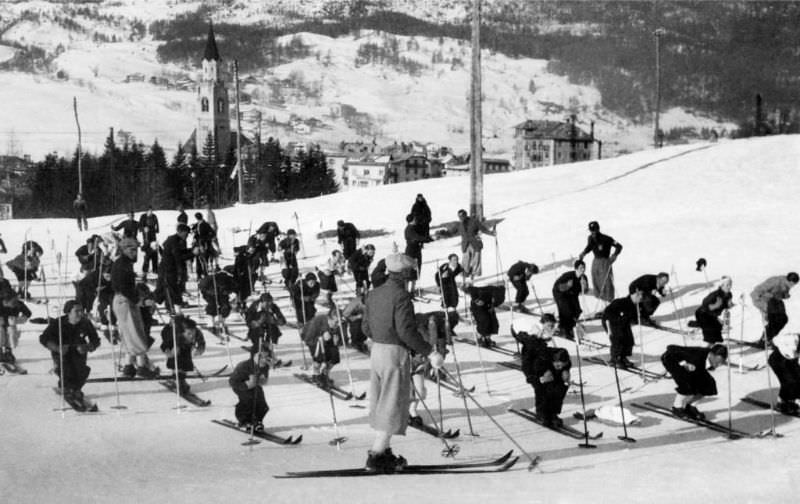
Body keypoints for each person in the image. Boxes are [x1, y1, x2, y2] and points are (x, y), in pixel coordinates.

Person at [361, 253, 444, 473]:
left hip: (376, 351)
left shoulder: (373, 293)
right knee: (393, 402)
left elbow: (365, 328)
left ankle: (384, 450)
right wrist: (429, 352)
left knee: (381, 400)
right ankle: (377, 456)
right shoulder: (401, 296)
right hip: (394, 353)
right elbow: (406, 332)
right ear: (405, 273)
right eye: (411, 272)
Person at [112, 237, 159, 378]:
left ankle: (128, 366)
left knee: (129, 334)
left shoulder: (123, 263)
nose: (134, 252)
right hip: (125, 301)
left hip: (122, 301)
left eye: (136, 249)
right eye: (131, 249)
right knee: (136, 332)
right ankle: (141, 367)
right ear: (124, 249)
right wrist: (140, 301)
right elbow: (123, 287)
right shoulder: (122, 264)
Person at [512, 315, 570, 427]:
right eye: (549, 326)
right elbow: (527, 363)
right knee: (542, 389)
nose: (551, 329)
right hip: (536, 372)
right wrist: (534, 377)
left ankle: (553, 414)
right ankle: (542, 414)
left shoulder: (550, 348)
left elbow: (563, 357)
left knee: (559, 387)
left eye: (552, 326)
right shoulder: (532, 343)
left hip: (548, 370)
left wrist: (565, 370)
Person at [39, 300, 100, 403]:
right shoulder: (58, 323)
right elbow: (43, 338)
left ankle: (74, 389)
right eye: (77, 311)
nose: (80, 313)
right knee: (66, 370)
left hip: (79, 352)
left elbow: (95, 340)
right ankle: (69, 389)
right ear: (68, 312)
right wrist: (57, 348)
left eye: (81, 310)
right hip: (62, 352)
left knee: (82, 371)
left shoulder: (85, 323)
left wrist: (87, 347)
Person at [661, 343, 728, 420]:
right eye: (718, 361)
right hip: (672, 360)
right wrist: (684, 363)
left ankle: (690, 406)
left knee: (709, 384)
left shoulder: (706, 358)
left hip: (696, 366)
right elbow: (671, 348)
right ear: (712, 355)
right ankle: (677, 408)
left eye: (721, 362)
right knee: (686, 383)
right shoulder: (696, 356)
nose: (719, 365)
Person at [409, 310, 450, 423]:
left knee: (420, 391)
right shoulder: (409, 328)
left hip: (419, 365)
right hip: (404, 364)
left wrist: (435, 359)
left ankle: (412, 411)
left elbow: (432, 343)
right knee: (404, 391)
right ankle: (408, 412)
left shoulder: (427, 328)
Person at [577, 221, 622, 307]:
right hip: (596, 261)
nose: (592, 232)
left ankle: (609, 303)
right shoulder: (590, 238)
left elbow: (619, 246)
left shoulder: (607, 238)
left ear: (598, 229)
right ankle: (602, 303)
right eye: (591, 230)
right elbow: (590, 246)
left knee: (606, 282)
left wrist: (614, 256)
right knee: (596, 280)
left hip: (605, 261)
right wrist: (583, 253)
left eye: (594, 230)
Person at [229, 345, 272, 431]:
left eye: (266, 356)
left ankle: (257, 420)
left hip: (254, 385)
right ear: (254, 356)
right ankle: (244, 421)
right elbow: (233, 381)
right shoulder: (245, 365)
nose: (264, 359)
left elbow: (263, 379)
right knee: (248, 401)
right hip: (240, 385)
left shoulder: (265, 366)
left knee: (262, 403)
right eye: (261, 357)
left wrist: (261, 380)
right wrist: (249, 383)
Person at [750, 272, 799, 348]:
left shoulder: (786, 284)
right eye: (792, 284)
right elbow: (757, 291)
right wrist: (772, 296)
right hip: (762, 300)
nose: (792, 286)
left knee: (783, 319)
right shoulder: (775, 281)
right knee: (773, 319)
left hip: (774, 301)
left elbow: (781, 294)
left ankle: (768, 338)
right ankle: (765, 340)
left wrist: (785, 295)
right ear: (789, 280)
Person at [155, 224, 197, 312]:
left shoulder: (176, 239)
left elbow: (180, 252)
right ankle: (169, 308)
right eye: (186, 233)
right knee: (168, 289)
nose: (187, 235)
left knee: (168, 289)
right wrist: (193, 254)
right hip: (167, 269)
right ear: (181, 232)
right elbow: (178, 257)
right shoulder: (174, 241)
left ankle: (170, 307)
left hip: (170, 269)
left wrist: (191, 250)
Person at [161, 315, 205, 394]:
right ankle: (178, 380)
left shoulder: (197, 332)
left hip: (187, 346)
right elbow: (164, 345)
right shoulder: (174, 334)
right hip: (174, 346)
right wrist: (169, 353)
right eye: (189, 334)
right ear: (183, 332)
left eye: (193, 333)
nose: (191, 336)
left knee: (186, 363)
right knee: (176, 362)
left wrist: (199, 350)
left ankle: (181, 380)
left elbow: (202, 343)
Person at [602, 288, 644, 368]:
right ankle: (615, 359)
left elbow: (634, 317)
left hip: (623, 323)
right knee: (618, 339)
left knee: (629, 339)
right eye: (639, 296)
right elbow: (608, 312)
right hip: (611, 321)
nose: (641, 298)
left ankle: (623, 357)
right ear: (634, 295)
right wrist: (611, 326)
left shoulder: (635, 305)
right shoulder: (621, 302)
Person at [301, 309, 341, 385]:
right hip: (313, 339)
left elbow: (338, 338)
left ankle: (324, 374)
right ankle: (316, 375)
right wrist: (322, 338)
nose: (338, 324)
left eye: (339, 322)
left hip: (327, 338)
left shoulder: (336, 326)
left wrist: (337, 341)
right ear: (329, 319)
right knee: (319, 356)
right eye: (336, 322)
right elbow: (308, 339)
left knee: (335, 357)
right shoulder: (317, 322)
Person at [552, 260, 589, 340]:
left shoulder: (584, 277)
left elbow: (585, 291)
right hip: (561, 294)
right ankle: (565, 330)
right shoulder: (568, 276)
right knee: (567, 312)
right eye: (580, 268)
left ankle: (569, 326)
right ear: (576, 268)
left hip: (572, 295)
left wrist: (584, 286)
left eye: (583, 268)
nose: (582, 270)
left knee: (577, 311)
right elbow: (559, 287)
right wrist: (567, 285)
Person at [457, 209, 495, 284]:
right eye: (459, 216)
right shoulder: (459, 224)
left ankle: (474, 276)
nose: (460, 218)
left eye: (462, 216)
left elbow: (483, 229)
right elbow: (452, 231)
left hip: (475, 243)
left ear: (465, 215)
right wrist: (443, 234)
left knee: (476, 260)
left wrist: (491, 233)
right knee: (466, 260)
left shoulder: (474, 221)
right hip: (465, 244)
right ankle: (466, 273)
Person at [692, 276, 734, 344]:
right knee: (711, 332)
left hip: (712, 315)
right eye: (727, 285)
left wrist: (729, 305)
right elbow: (704, 304)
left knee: (718, 328)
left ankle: (699, 325)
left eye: (730, 285)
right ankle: (710, 347)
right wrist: (715, 306)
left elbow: (725, 305)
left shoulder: (729, 294)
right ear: (722, 285)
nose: (729, 287)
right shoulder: (715, 295)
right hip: (702, 314)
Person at [0, 281, 31, 364]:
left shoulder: (18, 304)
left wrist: (18, 319)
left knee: (12, 332)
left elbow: (28, 313)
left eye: (15, 302)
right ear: (5, 302)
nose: (14, 304)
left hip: (11, 323)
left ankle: (8, 350)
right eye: (12, 303)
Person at [198, 268, 237, 334]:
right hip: (211, 294)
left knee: (224, 307)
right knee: (213, 306)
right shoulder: (210, 279)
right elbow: (202, 286)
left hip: (220, 295)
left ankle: (221, 323)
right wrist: (210, 293)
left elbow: (235, 289)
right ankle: (213, 324)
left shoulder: (229, 280)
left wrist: (230, 294)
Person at [769, 333, 800, 414]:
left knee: (795, 379)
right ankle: (782, 403)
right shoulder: (794, 339)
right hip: (778, 360)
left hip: (789, 358)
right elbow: (775, 340)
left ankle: (791, 400)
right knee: (789, 381)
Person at [404, 214, 432, 293]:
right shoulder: (409, 229)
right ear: (412, 220)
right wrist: (427, 239)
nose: (416, 220)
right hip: (411, 251)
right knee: (409, 272)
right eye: (415, 219)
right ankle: (406, 291)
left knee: (416, 271)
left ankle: (412, 290)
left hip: (416, 251)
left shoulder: (414, 228)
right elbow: (417, 237)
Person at [192, 212, 217, 279]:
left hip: (205, 245)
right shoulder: (197, 224)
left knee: (204, 260)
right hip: (198, 245)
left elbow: (212, 233)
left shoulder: (205, 224)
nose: (198, 218)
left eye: (198, 217)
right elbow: (195, 232)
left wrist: (205, 239)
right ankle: (199, 275)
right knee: (198, 259)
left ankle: (205, 275)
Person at [139, 207, 160, 276]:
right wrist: (143, 229)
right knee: (147, 252)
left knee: (154, 251)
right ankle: (145, 269)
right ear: (147, 211)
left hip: (153, 236)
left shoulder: (154, 216)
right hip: (146, 237)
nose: (151, 212)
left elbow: (157, 224)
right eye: (149, 211)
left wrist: (157, 230)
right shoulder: (143, 216)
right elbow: (140, 226)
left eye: (152, 211)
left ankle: (155, 268)